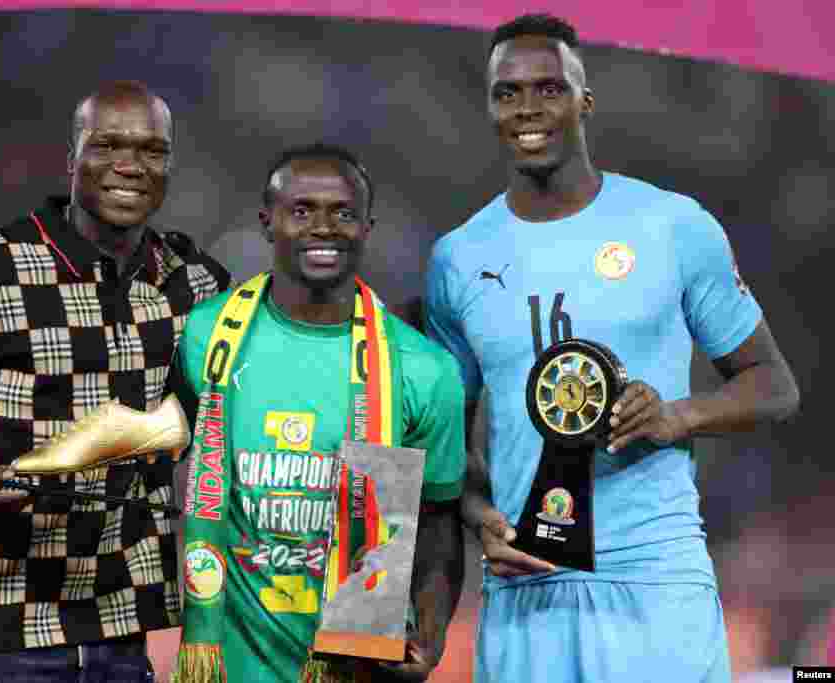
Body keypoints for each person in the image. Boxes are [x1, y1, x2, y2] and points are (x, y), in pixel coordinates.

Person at [424, 14, 800, 683]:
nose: (528, 107)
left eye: (549, 87)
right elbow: (442, 432)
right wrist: (481, 515)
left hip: (654, 580)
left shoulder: (674, 225)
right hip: (524, 594)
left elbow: (773, 383)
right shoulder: (458, 258)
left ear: (584, 100)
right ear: (489, 107)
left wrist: (675, 416)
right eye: (508, 93)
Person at [0, 80, 231, 682]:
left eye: (152, 151)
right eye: (108, 145)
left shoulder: (196, 284)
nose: (130, 166)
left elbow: (207, 423)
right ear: (72, 161)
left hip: (121, 629)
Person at [172, 143, 465, 682]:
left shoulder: (425, 369)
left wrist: (431, 632)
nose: (323, 227)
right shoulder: (204, 337)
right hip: (230, 664)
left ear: (367, 226)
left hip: (356, 662)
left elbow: (439, 520)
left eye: (343, 213)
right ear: (267, 222)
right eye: (301, 210)